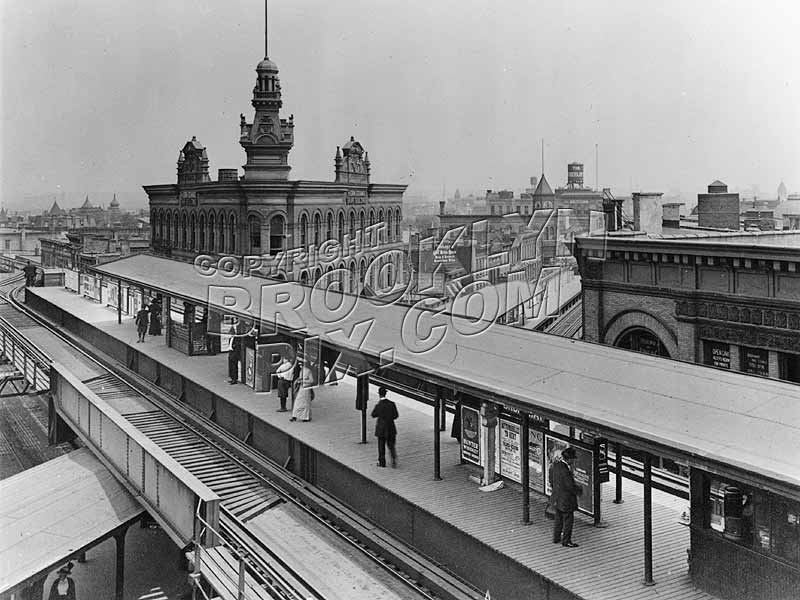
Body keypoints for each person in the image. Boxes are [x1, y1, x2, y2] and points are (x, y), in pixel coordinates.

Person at [550, 446, 582, 547]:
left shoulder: (555, 465)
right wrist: (578, 490)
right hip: (566, 500)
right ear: (569, 459)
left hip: (557, 497)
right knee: (568, 520)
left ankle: (556, 537)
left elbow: (551, 480)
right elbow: (570, 486)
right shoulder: (565, 471)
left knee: (558, 518)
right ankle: (566, 541)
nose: (574, 461)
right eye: (573, 459)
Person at [371, 387, 398, 468]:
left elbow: (373, 415)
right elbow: (396, 415)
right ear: (386, 393)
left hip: (381, 429)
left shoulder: (378, 405)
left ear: (379, 394)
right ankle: (393, 459)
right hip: (391, 428)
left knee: (381, 446)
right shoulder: (392, 404)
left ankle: (382, 462)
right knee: (391, 445)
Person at [228, 319, 242, 384]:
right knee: (231, 366)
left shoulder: (236, 339)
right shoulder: (230, 338)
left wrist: (235, 354)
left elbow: (237, 347)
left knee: (234, 367)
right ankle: (231, 377)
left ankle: (234, 379)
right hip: (230, 352)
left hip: (234, 354)